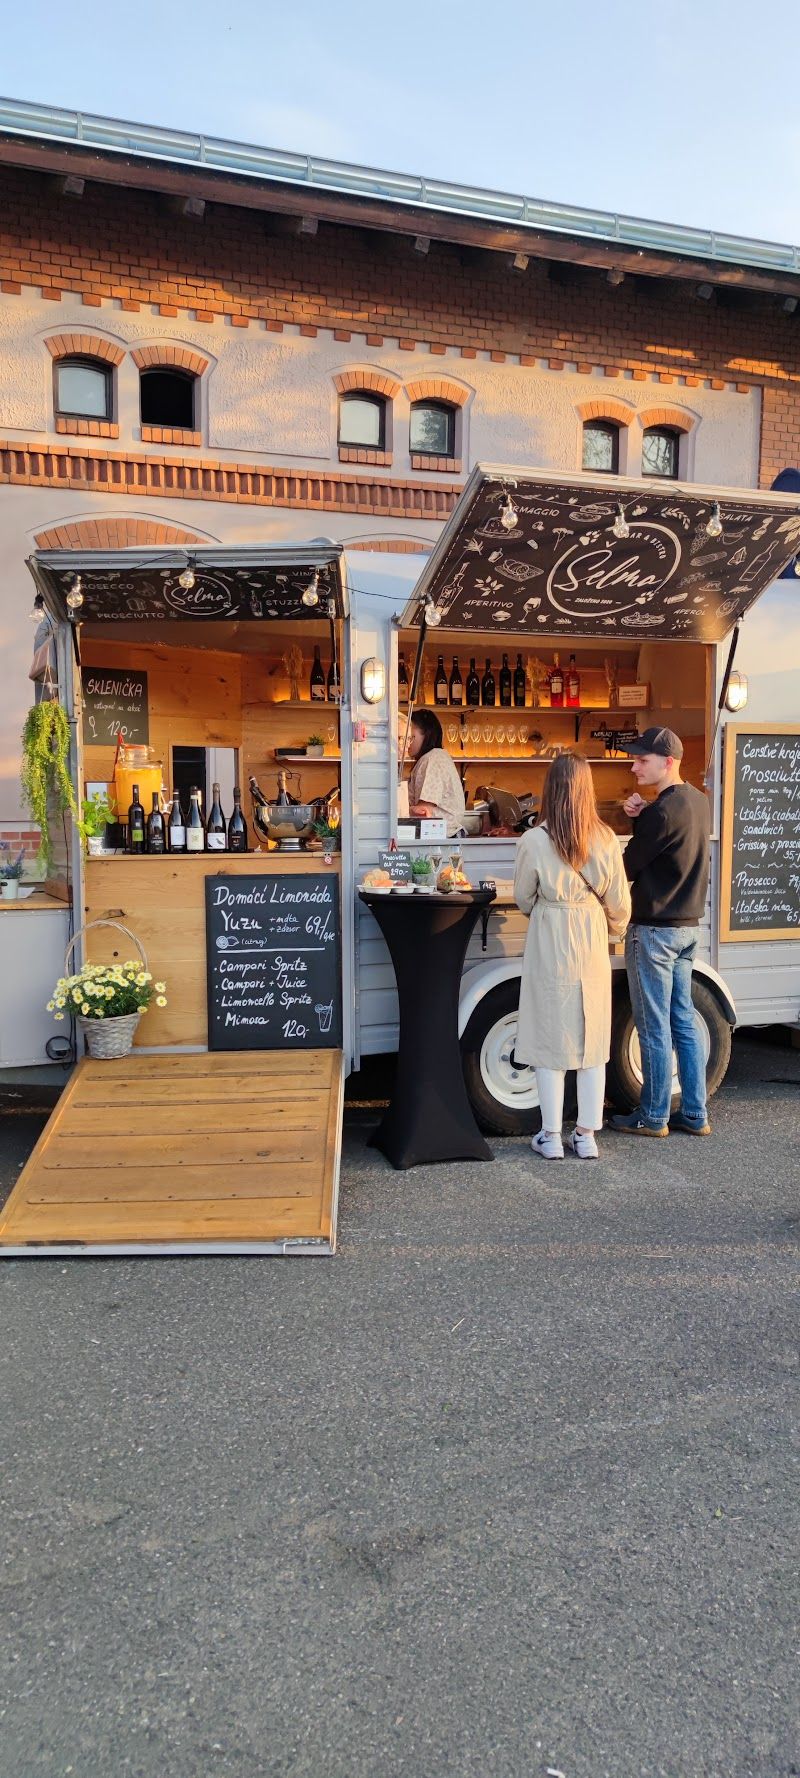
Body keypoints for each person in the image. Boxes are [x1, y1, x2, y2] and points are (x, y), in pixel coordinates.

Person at [513, 754, 631, 1160]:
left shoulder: (533, 840)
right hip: (591, 936)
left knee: (551, 1037)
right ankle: (586, 1135)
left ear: (550, 788)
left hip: (551, 936)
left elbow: (523, 898)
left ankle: (550, 1136)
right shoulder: (605, 838)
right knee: (591, 1037)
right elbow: (619, 901)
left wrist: (548, 911)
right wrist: (611, 930)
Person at [608, 726, 711, 1139]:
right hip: (687, 929)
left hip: (653, 931)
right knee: (683, 1021)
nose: (634, 767)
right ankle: (695, 1112)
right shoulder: (699, 802)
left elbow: (627, 868)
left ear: (668, 762)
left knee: (653, 1026)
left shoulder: (660, 813)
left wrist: (637, 819)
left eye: (642, 760)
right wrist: (640, 817)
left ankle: (653, 1116)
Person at [406, 710, 466, 836]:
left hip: (441, 838)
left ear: (426, 734)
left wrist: (400, 809)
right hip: (440, 835)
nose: (406, 741)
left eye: (411, 736)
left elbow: (423, 811)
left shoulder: (433, 759)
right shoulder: (434, 757)